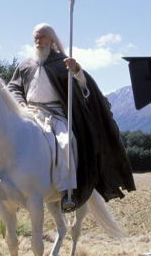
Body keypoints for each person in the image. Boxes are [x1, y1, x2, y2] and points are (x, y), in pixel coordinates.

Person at [7, 23, 135, 212]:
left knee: (66, 142)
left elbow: (85, 87)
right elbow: (13, 87)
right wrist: (20, 102)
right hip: (29, 112)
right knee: (6, 137)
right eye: (35, 37)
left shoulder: (63, 63)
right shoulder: (25, 65)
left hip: (55, 115)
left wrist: (76, 71)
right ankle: (1, 187)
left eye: (41, 37)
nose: (37, 41)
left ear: (51, 40)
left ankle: (67, 191)